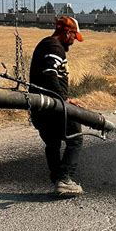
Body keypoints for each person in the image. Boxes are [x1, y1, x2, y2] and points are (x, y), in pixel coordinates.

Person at [29, 16, 85, 196]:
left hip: (40, 106)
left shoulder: (47, 45)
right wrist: (63, 100)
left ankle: (57, 180)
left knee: (52, 142)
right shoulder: (55, 47)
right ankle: (64, 179)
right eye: (74, 37)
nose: (74, 41)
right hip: (53, 105)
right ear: (67, 32)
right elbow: (50, 73)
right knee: (75, 137)